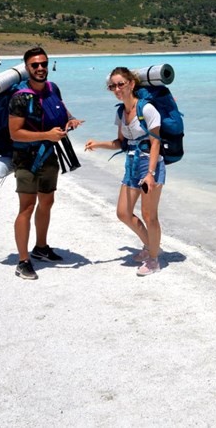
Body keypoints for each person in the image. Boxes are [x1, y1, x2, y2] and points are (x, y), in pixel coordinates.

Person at [8, 47, 84, 280]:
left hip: (50, 155)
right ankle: (23, 261)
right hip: (27, 159)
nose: (40, 68)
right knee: (27, 207)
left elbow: (60, 107)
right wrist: (46, 135)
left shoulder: (53, 88)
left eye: (43, 63)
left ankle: (41, 248)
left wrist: (70, 119)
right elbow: (15, 133)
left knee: (47, 201)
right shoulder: (20, 97)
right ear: (27, 68)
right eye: (35, 65)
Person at [85, 67, 166, 277]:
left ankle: (154, 259)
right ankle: (152, 246)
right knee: (123, 213)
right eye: (113, 86)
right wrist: (98, 144)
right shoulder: (121, 112)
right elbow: (121, 143)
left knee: (150, 215)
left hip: (150, 164)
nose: (117, 89)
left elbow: (156, 143)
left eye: (121, 84)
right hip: (131, 164)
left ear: (131, 84)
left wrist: (150, 173)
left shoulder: (147, 109)